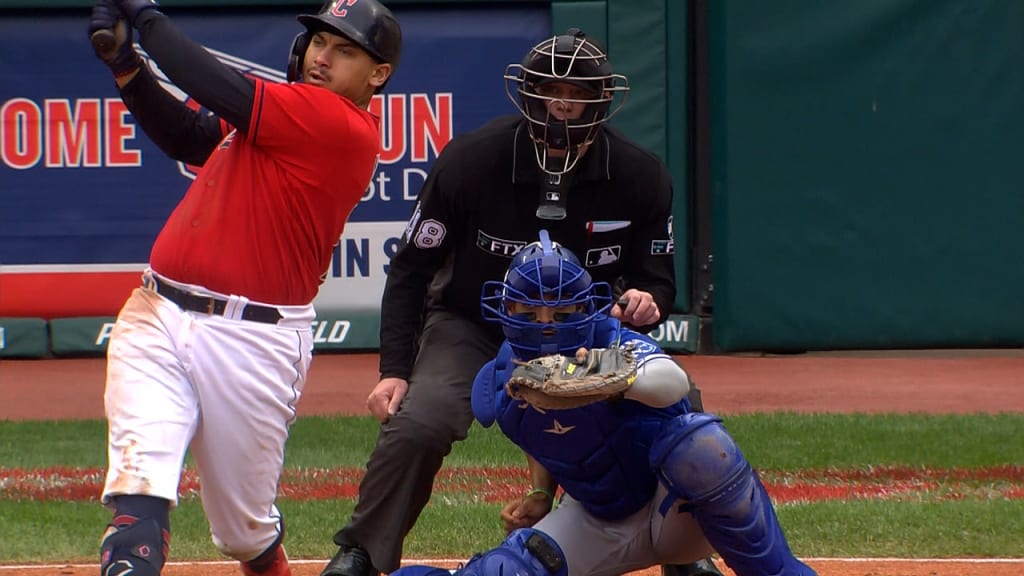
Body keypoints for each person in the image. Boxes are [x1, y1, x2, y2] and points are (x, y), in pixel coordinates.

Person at [323, 28, 720, 576]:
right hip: (475, 325)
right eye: (548, 87)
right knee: (421, 420)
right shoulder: (472, 160)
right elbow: (411, 269)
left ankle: (687, 553)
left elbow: (657, 279)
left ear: (601, 98)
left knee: (680, 404)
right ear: (527, 92)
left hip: (586, 333)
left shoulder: (641, 175)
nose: (561, 101)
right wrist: (395, 369)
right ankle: (362, 552)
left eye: (576, 89)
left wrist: (646, 301)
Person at [86, 1, 401, 576]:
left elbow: (211, 82)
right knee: (137, 509)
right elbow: (189, 137)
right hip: (156, 311)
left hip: (254, 341)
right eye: (318, 42)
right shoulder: (286, 112)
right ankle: (134, 544)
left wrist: (144, 15)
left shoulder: (340, 126)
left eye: (344, 50)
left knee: (242, 532)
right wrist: (128, 67)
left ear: (378, 74)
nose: (321, 58)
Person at [392, 232, 818, 576]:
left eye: (560, 314)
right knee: (508, 567)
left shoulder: (610, 342)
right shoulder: (502, 383)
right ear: (508, 311)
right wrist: (541, 491)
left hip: (674, 512)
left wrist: (605, 378)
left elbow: (672, 384)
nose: (546, 327)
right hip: (596, 518)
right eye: (531, 313)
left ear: (583, 309)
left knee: (702, 446)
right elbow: (541, 435)